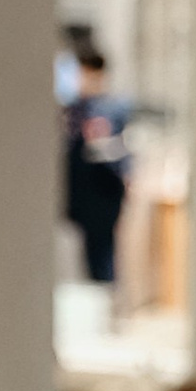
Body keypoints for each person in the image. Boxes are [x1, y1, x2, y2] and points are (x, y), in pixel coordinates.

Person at [62, 46, 130, 289]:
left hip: (104, 191)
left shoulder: (114, 107)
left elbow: (121, 151)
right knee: (82, 256)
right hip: (80, 192)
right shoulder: (73, 109)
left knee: (102, 254)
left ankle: (106, 302)